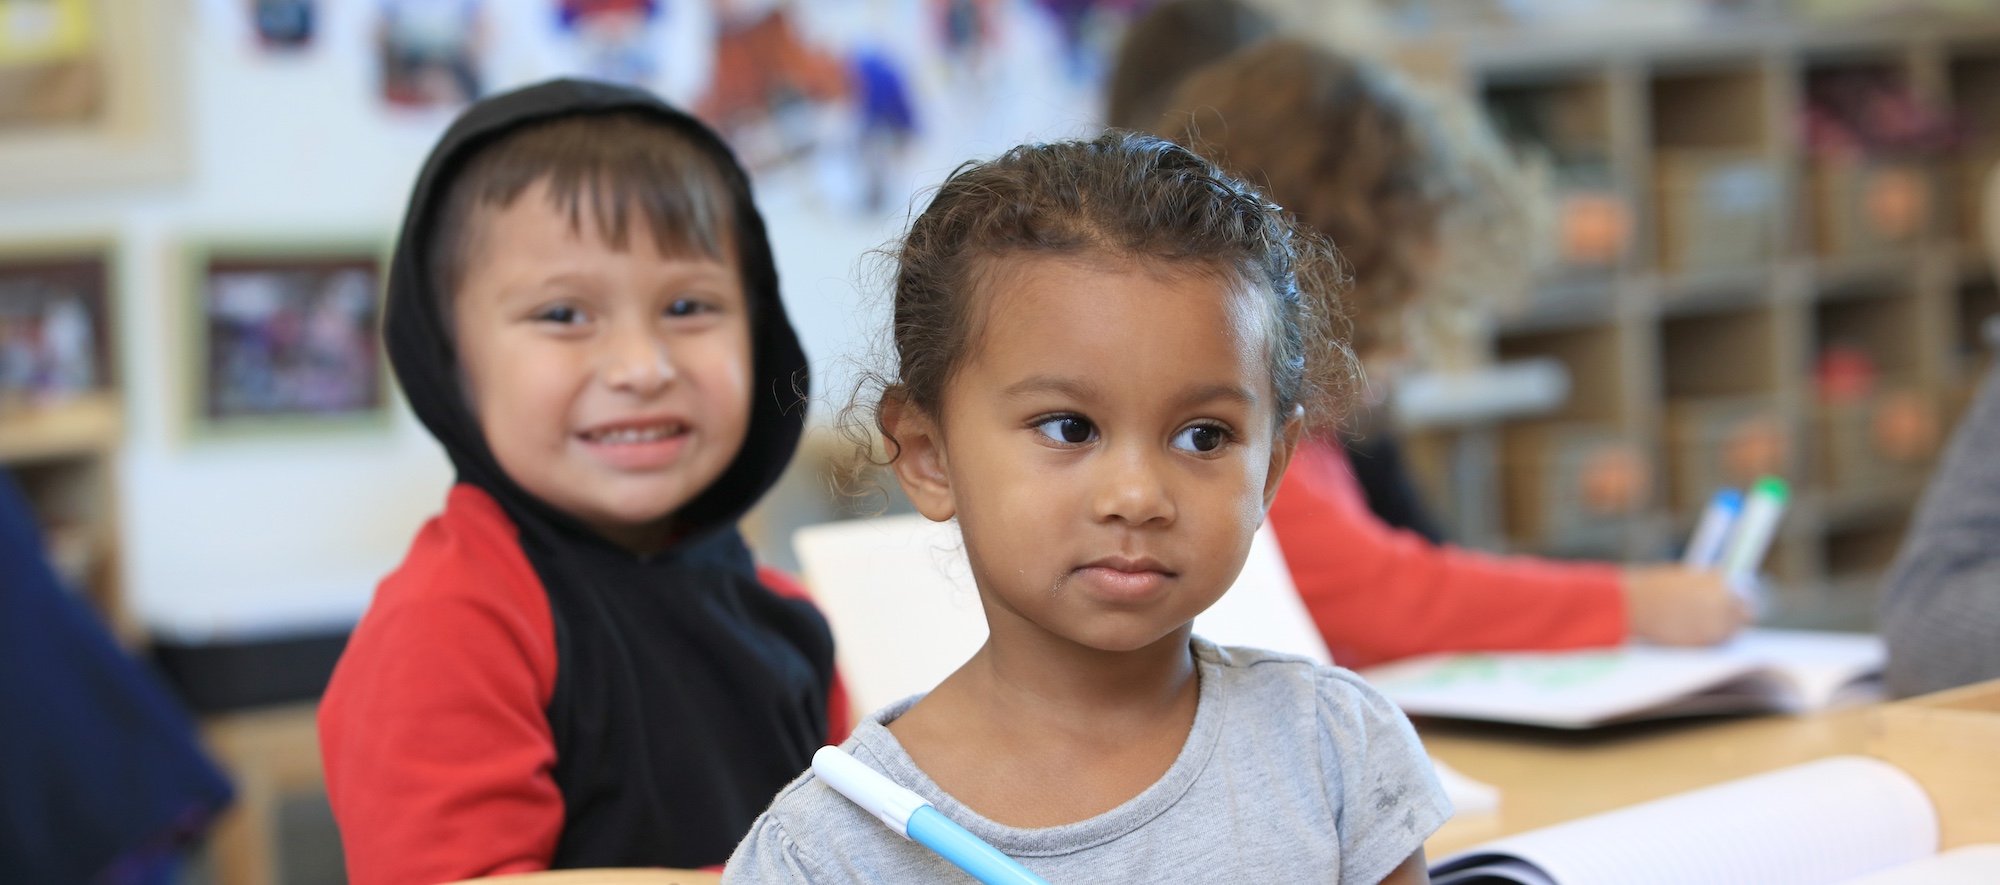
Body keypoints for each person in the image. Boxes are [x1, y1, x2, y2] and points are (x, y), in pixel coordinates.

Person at [724, 133, 1447, 884]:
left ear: (1271, 466)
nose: (1137, 496)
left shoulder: (1338, 752)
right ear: (928, 452)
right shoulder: (825, 852)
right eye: (1070, 427)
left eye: (1205, 436)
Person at [319, 79, 849, 884]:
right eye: (564, 315)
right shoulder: (451, 622)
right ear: (450, 360)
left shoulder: (790, 618)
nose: (641, 367)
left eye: (688, 305)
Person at [1131, 26, 1747, 668]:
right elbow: (1382, 597)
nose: (1413, 351)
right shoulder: (1240, 434)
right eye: (1404, 310)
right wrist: (1632, 604)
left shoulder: (1307, 437)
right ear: (1340, 285)